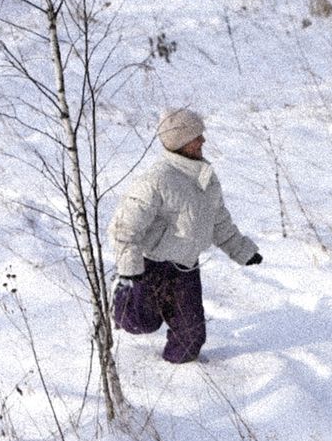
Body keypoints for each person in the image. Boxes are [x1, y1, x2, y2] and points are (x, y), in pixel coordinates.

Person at [109, 108, 262, 364]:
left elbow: (219, 221)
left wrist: (242, 251)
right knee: (140, 324)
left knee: (190, 339)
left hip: (186, 270)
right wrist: (129, 270)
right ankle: (120, 299)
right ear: (180, 142)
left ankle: (180, 378)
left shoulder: (205, 178)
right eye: (196, 137)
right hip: (150, 267)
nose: (203, 141)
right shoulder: (155, 181)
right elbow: (124, 229)